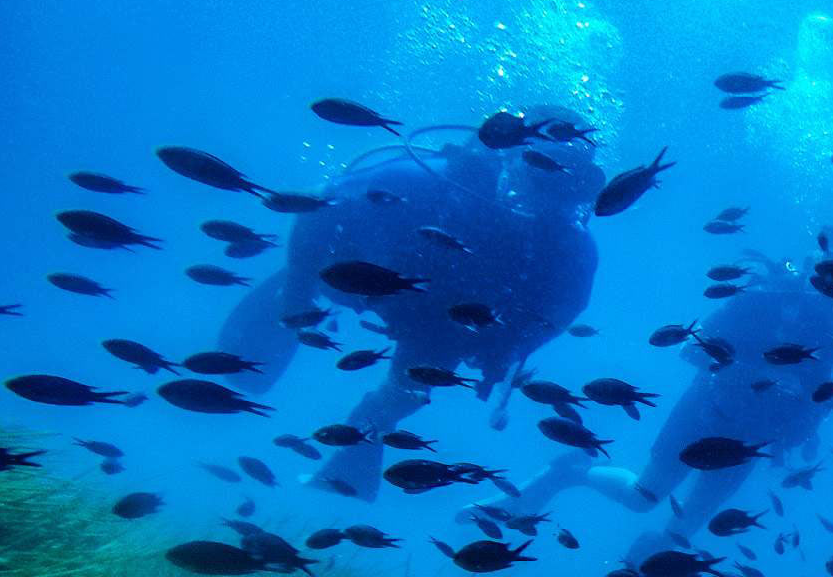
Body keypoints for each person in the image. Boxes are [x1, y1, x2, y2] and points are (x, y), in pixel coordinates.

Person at [215, 105, 604, 500]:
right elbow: (320, 205)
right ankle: (271, 322)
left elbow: (562, 310)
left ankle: (361, 440)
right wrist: (298, 288)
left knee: (408, 389)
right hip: (355, 274)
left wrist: (505, 351)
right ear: (512, 155)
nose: (550, 187)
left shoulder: (570, 251)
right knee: (322, 284)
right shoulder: (423, 183)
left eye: (569, 180)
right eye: (542, 166)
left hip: (440, 322)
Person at [498, 227, 833, 558]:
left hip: (756, 438)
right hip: (705, 412)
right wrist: (745, 373)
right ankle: (569, 471)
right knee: (642, 498)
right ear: (810, 262)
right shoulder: (760, 298)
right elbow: (690, 347)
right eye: (829, 265)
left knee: (683, 531)